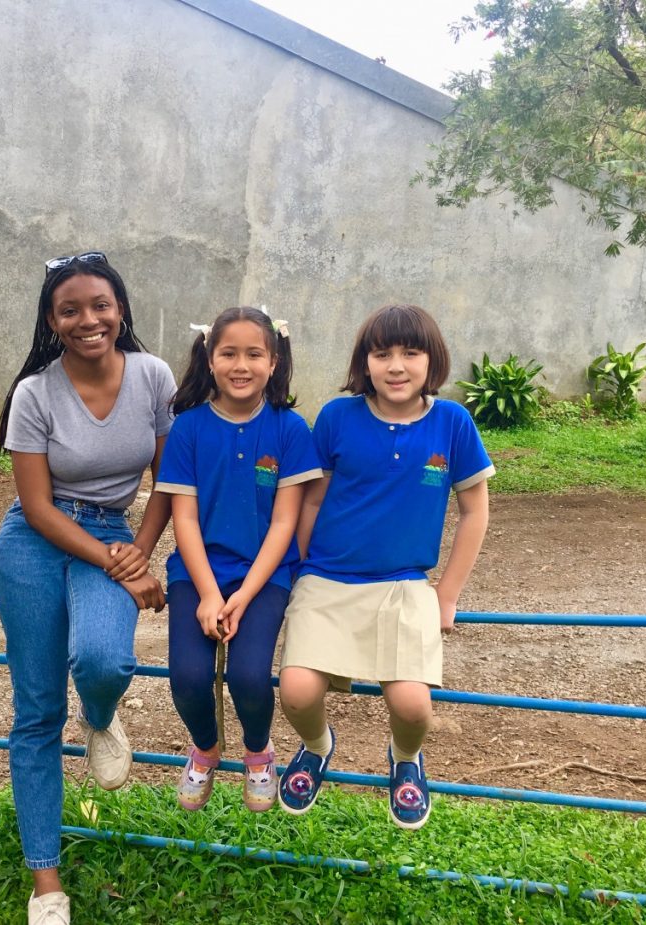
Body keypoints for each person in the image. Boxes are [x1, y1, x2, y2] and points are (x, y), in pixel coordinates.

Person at [0, 251, 174, 925]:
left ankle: (99, 718)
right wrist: (121, 563)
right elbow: (36, 507)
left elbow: (171, 478)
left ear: (120, 308)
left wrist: (141, 552)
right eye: (70, 309)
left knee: (104, 660)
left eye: (100, 304)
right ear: (51, 319)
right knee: (36, 713)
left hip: (116, 536)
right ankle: (46, 885)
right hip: (35, 544)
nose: (88, 319)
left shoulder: (153, 376)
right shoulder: (34, 393)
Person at [277, 304, 493, 829]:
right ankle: (317, 745)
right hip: (328, 577)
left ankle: (404, 758)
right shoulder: (336, 417)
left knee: (415, 706)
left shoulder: (452, 423)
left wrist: (446, 595)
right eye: (382, 354)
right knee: (297, 692)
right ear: (365, 362)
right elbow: (310, 501)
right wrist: (301, 571)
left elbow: (475, 511)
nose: (396, 366)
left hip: (403, 584)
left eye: (410, 353)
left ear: (432, 360)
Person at [154, 307, 321, 812]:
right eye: (229, 353)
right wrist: (208, 594)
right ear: (209, 358)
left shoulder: (290, 429)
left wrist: (244, 596)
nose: (240, 365)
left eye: (254, 354)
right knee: (186, 678)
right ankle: (206, 747)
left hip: (265, 576)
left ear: (274, 361)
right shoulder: (188, 430)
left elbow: (284, 524)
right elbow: (183, 520)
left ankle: (256, 750)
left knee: (250, 677)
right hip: (196, 572)